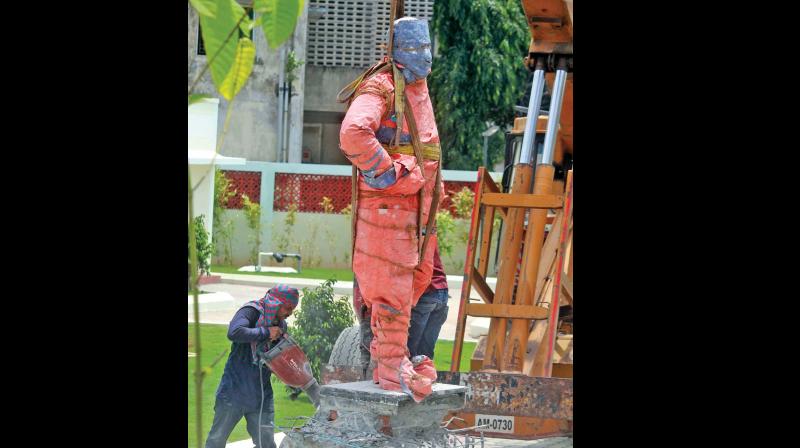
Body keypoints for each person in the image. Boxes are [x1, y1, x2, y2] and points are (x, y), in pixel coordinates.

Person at [339, 16, 442, 402]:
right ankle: (389, 369)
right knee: (389, 290)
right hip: (390, 212)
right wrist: (392, 174)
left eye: (427, 47)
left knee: (413, 285)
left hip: (418, 213)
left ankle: (397, 359)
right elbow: (353, 133)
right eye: (415, 49)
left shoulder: (417, 88)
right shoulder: (381, 87)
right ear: (397, 51)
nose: (425, 57)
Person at [205, 285, 300, 448]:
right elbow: (234, 332)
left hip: (261, 397)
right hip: (233, 392)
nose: (290, 313)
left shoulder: (281, 327)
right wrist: (266, 332)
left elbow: (276, 359)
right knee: (216, 441)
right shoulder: (251, 311)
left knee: (267, 444)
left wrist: (291, 376)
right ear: (275, 303)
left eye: (293, 309)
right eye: (288, 308)